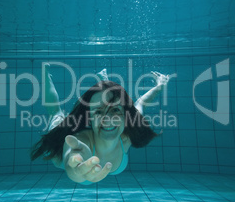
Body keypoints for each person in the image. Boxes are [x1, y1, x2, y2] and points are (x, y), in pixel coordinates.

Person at [31, 64, 169, 185]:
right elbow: (73, 150)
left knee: (108, 96)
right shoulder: (82, 140)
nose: (108, 119)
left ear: (125, 115)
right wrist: (75, 168)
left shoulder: (127, 135)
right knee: (56, 113)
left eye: (115, 110)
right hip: (60, 142)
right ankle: (45, 76)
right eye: (98, 112)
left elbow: (141, 103)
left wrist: (160, 86)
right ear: (89, 118)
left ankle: (104, 81)